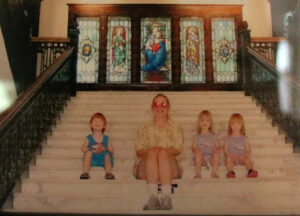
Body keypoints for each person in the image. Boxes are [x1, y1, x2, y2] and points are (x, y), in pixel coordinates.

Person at [135, 93, 184, 210]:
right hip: (147, 166)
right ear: (152, 107)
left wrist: (163, 151)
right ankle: (153, 198)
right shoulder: (144, 127)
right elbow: (139, 151)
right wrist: (152, 151)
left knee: (163, 154)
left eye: (163, 104)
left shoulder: (176, 126)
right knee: (152, 153)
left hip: (170, 166)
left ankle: (166, 197)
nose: (160, 107)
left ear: (168, 107)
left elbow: (178, 149)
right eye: (156, 104)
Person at [80, 112, 115, 180]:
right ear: (91, 124)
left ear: (104, 125)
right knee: (88, 153)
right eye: (95, 121)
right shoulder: (88, 138)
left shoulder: (106, 138)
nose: (97, 123)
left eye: (100, 121)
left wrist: (104, 148)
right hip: (92, 159)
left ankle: (108, 172)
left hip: (103, 160)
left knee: (107, 155)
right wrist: (90, 148)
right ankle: (85, 172)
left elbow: (112, 152)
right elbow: (82, 149)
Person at [224, 113, 258, 178]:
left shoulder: (244, 138)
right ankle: (230, 172)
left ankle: (251, 170)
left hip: (242, 157)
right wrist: (230, 155)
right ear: (230, 125)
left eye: (238, 124)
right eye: (233, 124)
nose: (235, 126)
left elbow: (248, 150)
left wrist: (244, 156)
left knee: (247, 159)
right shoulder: (227, 138)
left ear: (242, 125)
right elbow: (225, 150)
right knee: (228, 159)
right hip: (233, 157)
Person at [192, 110, 220, 178]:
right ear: (199, 123)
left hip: (211, 158)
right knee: (198, 153)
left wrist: (216, 150)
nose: (204, 122)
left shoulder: (213, 136)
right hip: (201, 159)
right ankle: (198, 173)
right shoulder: (197, 137)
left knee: (216, 153)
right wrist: (196, 150)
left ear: (210, 123)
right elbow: (193, 148)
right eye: (202, 120)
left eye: (207, 120)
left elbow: (218, 147)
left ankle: (214, 173)